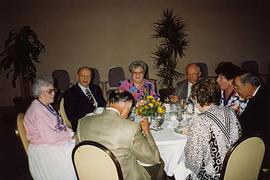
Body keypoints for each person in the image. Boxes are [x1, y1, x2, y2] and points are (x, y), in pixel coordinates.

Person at [76, 91, 163, 180]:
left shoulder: (82, 122)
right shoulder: (131, 128)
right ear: (127, 105)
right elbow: (153, 158)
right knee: (160, 162)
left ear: (108, 103)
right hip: (121, 177)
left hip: (90, 175)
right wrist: (147, 131)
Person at [184, 78, 241, 180]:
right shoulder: (230, 112)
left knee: (180, 169)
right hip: (236, 167)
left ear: (197, 99)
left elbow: (192, 163)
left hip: (215, 176)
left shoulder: (199, 121)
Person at [24, 76, 76, 180]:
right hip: (43, 148)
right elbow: (50, 138)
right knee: (77, 151)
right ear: (40, 92)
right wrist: (70, 137)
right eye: (50, 91)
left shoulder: (46, 105)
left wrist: (71, 133)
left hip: (52, 141)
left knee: (81, 143)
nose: (54, 93)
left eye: (54, 90)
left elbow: (59, 123)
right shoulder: (37, 110)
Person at [234, 72, 270, 168]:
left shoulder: (259, 100)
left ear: (249, 86)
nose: (236, 90)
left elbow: (248, 126)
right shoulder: (262, 92)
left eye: (237, 87)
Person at [63, 66, 106, 132]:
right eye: (82, 76)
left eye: (88, 76)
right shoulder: (70, 93)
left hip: (100, 120)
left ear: (91, 78)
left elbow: (102, 104)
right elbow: (71, 116)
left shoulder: (96, 89)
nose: (85, 78)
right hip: (83, 125)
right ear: (77, 77)